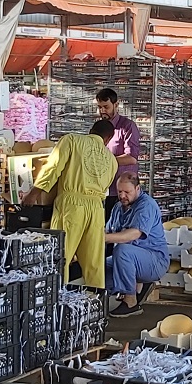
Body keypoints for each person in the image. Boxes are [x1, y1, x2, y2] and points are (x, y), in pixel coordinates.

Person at [28, 119, 118, 289]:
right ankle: (95, 303)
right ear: (108, 139)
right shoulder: (112, 159)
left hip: (72, 205)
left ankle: (57, 299)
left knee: (61, 256)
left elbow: (53, 168)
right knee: (94, 262)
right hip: (97, 209)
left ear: (90, 129)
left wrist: (34, 193)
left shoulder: (72, 140)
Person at [103, 174, 169, 316]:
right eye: (120, 192)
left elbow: (134, 234)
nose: (122, 196)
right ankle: (136, 286)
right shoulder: (118, 207)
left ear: (138, 188)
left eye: (127, 192)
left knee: (122, 250)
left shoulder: (147, 205)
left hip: (155, 260)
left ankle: (130, 301)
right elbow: (107, 229)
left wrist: (103, 238)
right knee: (99, 266)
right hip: (131, 259)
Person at [95, 88, 140, 196]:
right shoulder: (98, 127)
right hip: (102, 188)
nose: (102, 111)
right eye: (99, 107)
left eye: (106, 107)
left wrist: (105, 161)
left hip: (122, 191)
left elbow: (132, 158)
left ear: (116, 105)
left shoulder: (128, 126)